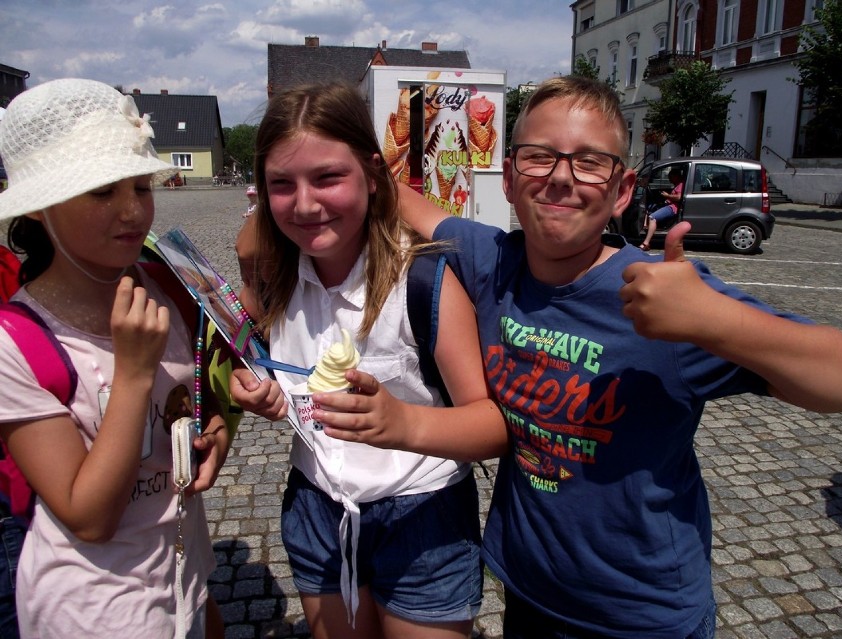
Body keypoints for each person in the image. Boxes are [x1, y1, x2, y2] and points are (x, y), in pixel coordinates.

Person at [316, 76, 842, 638]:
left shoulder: (661, 294)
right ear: (509, 177)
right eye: (539, 157)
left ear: (622, 191)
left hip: (643, 614)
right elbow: (400, 198)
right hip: (529, 594)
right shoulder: (493, 259)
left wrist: (715, 320)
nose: (562, 177)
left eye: (590, 162)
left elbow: (840, 377)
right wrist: (263, 237)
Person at [229, 83, 506, 639]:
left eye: (328, 177)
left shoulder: (424, 279)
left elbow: (494, 427)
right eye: (280, 184)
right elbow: (257, 346)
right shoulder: (277, 272)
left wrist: (405, 423)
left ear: (373, 173)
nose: (305, 204)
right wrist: (260, 387)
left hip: (422, 514)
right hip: (317, 506)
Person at [0, 78, 229, 638]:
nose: (132, 210)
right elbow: (88, 515)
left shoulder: (166, 284)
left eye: (141, 187)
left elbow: (187, 405)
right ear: (41, 209)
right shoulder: (14, 343)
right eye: (103, 192)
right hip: (95, 610)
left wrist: (214, 431)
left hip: (183, 582)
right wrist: (132, 374)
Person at [639, 166, 683, 251]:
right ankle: (645, 226)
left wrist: (667, 196)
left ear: (676, 176)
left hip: (673, 208)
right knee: (649, 207)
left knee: (653, 217)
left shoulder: (681, 184)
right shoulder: (677, 185)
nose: (670, 179)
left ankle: (646, 243)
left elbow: (678, 197)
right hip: (669, 205)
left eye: (671, 177)